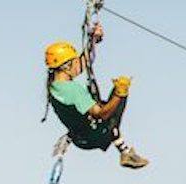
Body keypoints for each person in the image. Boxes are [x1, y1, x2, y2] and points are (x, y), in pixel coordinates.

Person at [44, 21, 148, 169]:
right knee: (114, 104)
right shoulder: (73, 90)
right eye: (73, 61)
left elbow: (83, 63)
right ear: (66, 66)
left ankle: (76, 136)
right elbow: (102, 115)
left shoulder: (54, 85)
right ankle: (125, 152)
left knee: (99, 103)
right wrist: (119, 94)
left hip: (80, 136)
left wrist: (93, 41)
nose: (77, 63)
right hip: (92, 136)